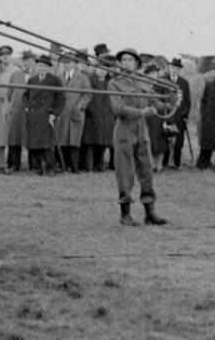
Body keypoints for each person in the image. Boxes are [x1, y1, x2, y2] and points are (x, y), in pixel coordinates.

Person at [108, 48, 167, 226]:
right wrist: (141, 111)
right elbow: (117, 108)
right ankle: (125, 214)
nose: (126, 63)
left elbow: (153, 102)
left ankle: (150, 212)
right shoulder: (114, 83)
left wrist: (169, 103)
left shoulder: (143, 82)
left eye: (130, 60)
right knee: (125, 173)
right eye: (123, 60)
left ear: (136, 63)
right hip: (124, 132)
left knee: (146, 171)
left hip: (142, 132)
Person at [23, 54, 64, 174]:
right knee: (35, 143)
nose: (42, 68)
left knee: (47, 144)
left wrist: (54, 114)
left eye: (45, 66)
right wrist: (26, 108)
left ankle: (51, 167)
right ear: (37, 67)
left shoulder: (55, 80)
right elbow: (25, 95)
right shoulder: (32, 80)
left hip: (47, 115)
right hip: (34, 116)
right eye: (40, 66)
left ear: (49, 68)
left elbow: (61, 99)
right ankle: (37, 168)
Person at [54, 52, 91, 173]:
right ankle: (63, 165)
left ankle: (74, 166)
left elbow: (88, 94)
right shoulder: (60, 77)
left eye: (70, 62)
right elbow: (57, 94)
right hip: (63, 113)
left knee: (75, 140)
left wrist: (80, 105)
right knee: (63, 139)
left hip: (76, 113)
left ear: (75, 64)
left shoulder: (82, 77)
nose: (68, 65)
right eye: (66, 62)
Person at [80, 57, 114, 171]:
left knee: (103, 142)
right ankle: (89, 165)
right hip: (92, 115)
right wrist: (90, 110)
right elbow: (87, 96)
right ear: (96, 68)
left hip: (106, 115)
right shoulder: (89, 79)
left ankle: (100, 165)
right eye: (101, 68)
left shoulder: (110, 82)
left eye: (105, 69)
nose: (103, 71)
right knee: (90, 143)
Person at [0, 45, 26, 172]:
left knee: (13, 135)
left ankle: (14, 162)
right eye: (2, 56)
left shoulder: (16, 71)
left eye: (8, 55)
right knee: (0, 135)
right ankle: (0, 162)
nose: (5, 58)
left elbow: (18, 92)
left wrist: (12, 107)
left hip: (11, 104)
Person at [162, 57, 191, 169]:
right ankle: (164, 163)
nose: (174, 70)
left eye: (177, 68)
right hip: (166, 114)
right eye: (173, 67)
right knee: (164, 139)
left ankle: (176, 163)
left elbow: (187, 101)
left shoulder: (184, 83)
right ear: (169, 67)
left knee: (178, 141)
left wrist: (185, 114)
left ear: (179, 70)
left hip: (179, 116)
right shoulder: (163, 80)